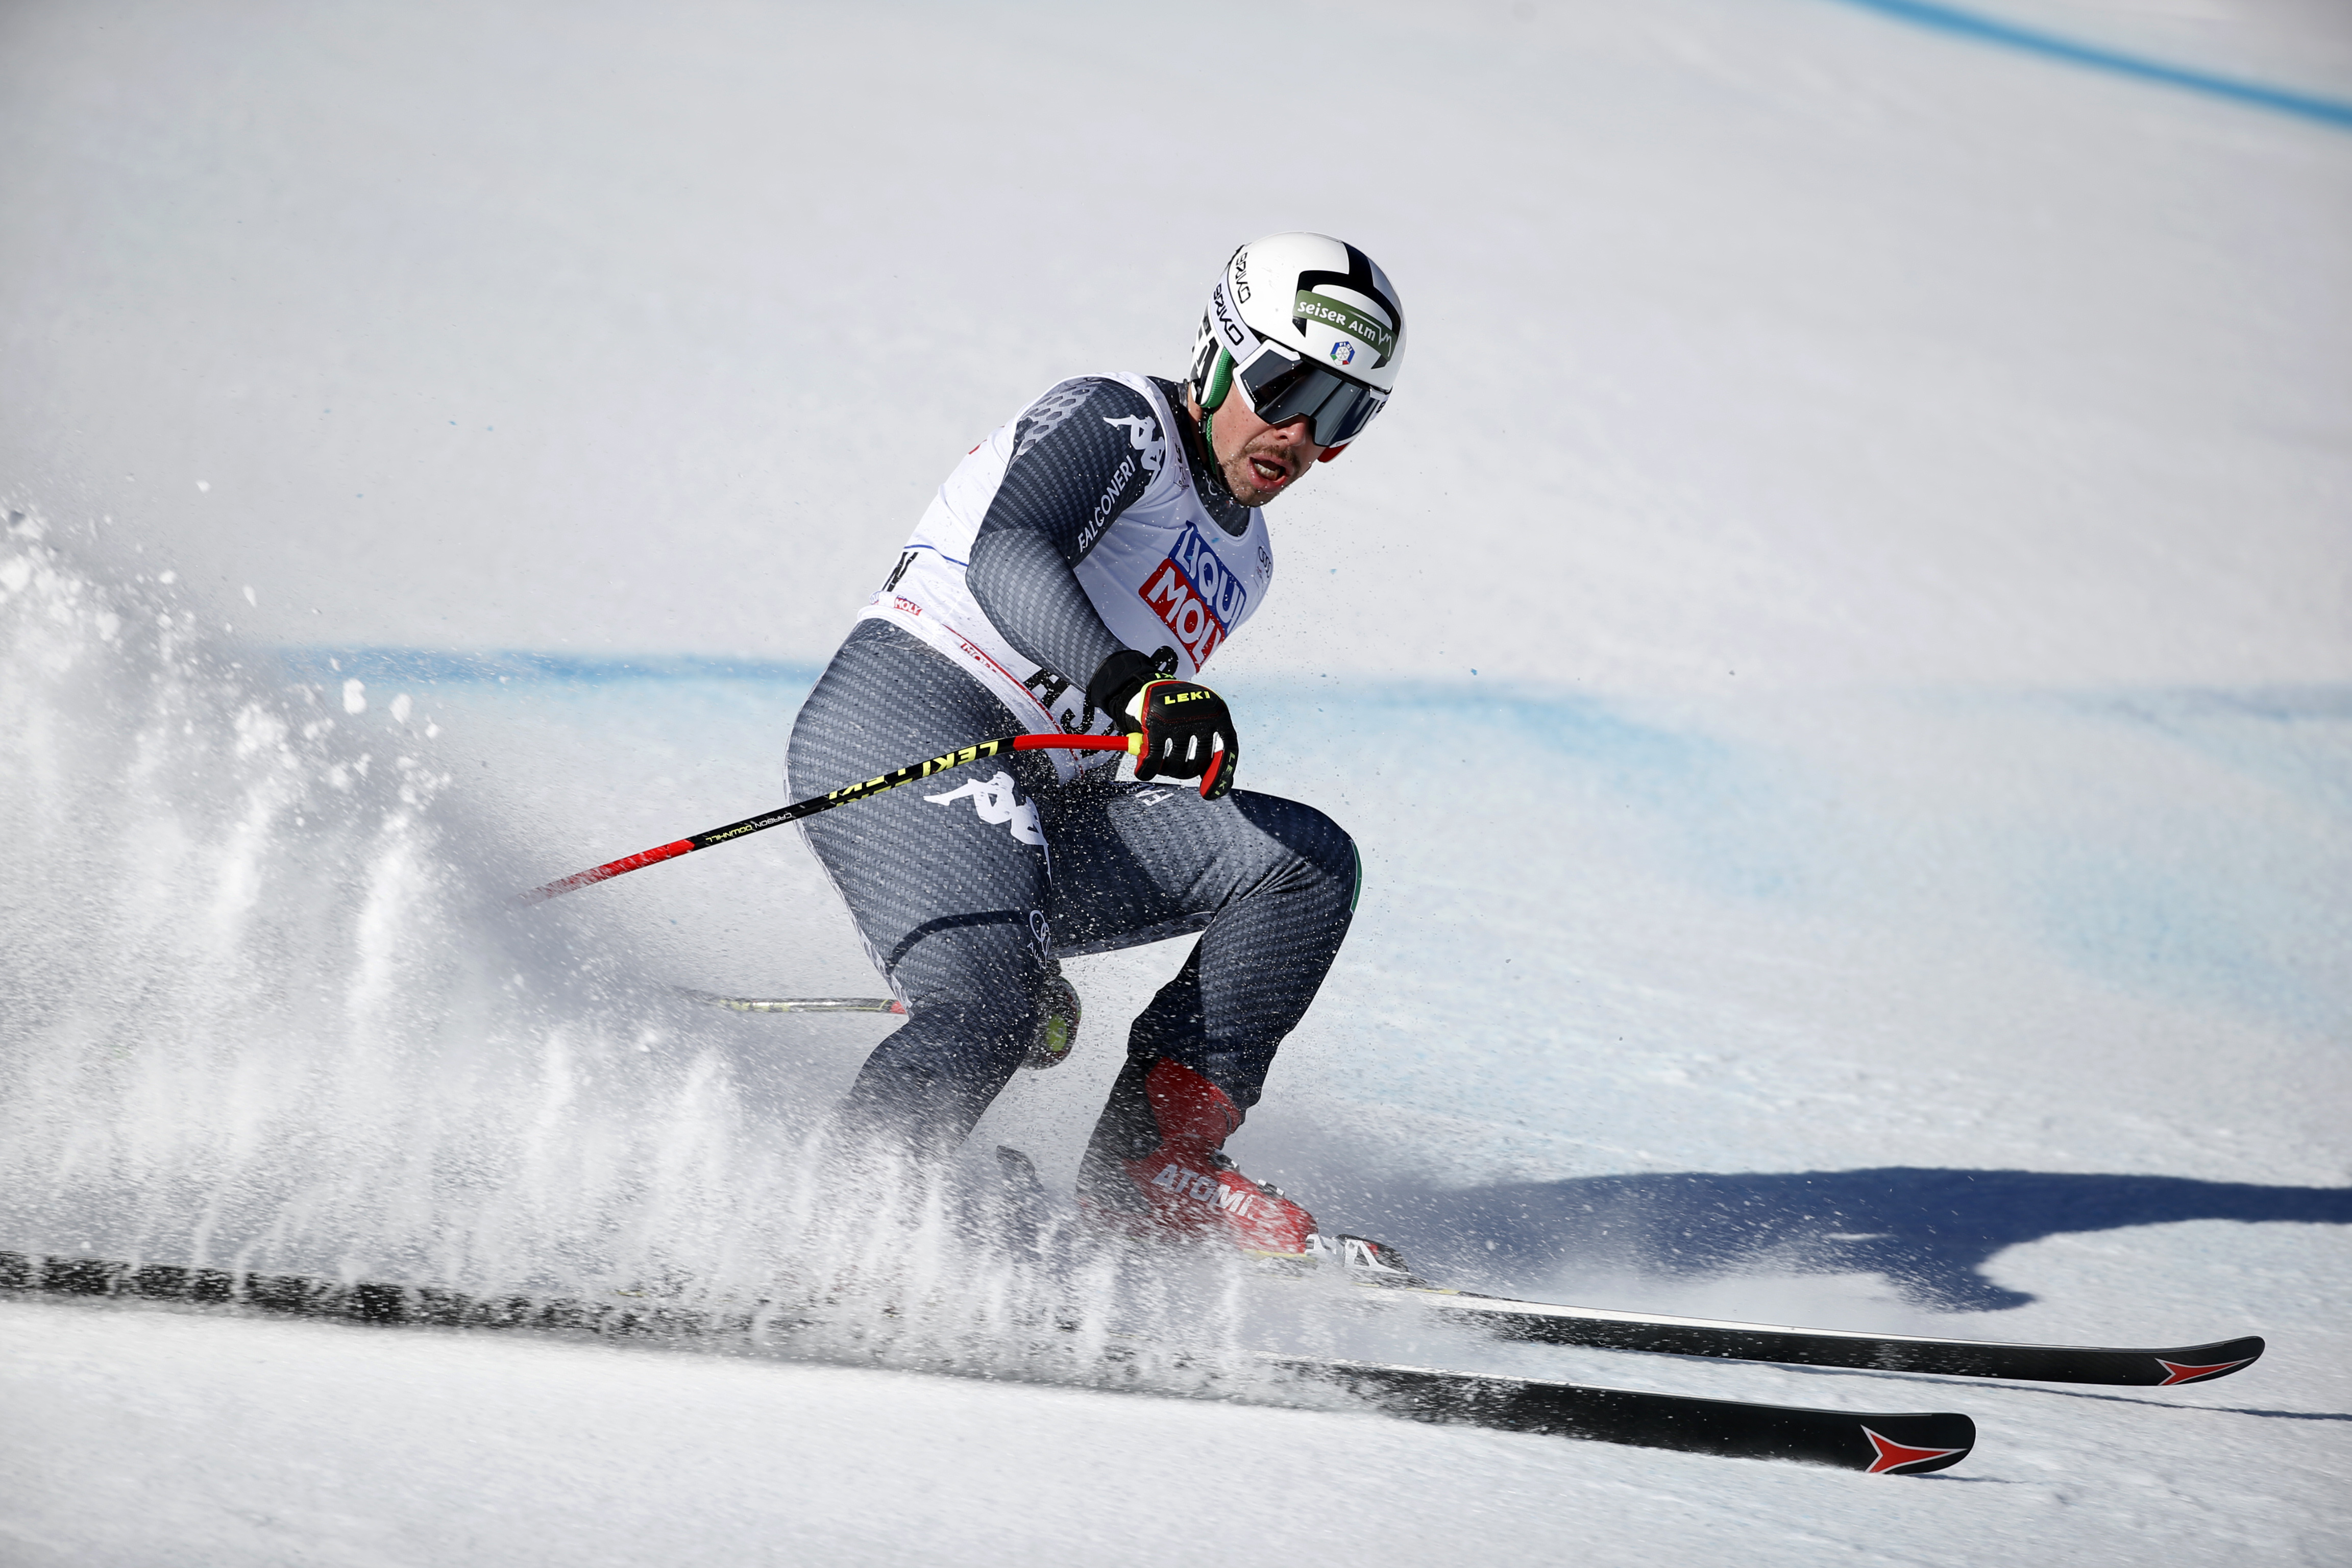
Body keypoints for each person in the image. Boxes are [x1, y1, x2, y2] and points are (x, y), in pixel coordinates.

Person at [786, 232, 1406, 1260]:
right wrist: (1137, 690)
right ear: (1218, 350)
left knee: (1299, 866)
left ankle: (1151, 1175)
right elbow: (1012, 553)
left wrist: (1148, 744)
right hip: (908, 717)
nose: (1299, 432)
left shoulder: (1246, 561)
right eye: (1286, 383)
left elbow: (1094, 741)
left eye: (1341, 415)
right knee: (986, 1008)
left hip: (1023, 791)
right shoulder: (1125, 419)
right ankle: (832, 1233)